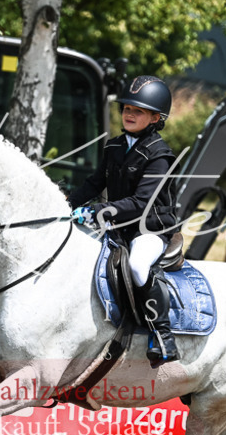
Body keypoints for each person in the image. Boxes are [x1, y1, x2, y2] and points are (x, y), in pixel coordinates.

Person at [65, 75, 179, 366]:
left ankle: (162, 334)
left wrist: (97, 212)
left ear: (155, 117)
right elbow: (93, 183)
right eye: (127, 107)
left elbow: (142, 203)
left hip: (150, 228)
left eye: (137, 111)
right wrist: (65, 206)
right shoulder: (115, 147)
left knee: (137, 266)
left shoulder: (160, 156)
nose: (129, 113)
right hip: (118, 225)